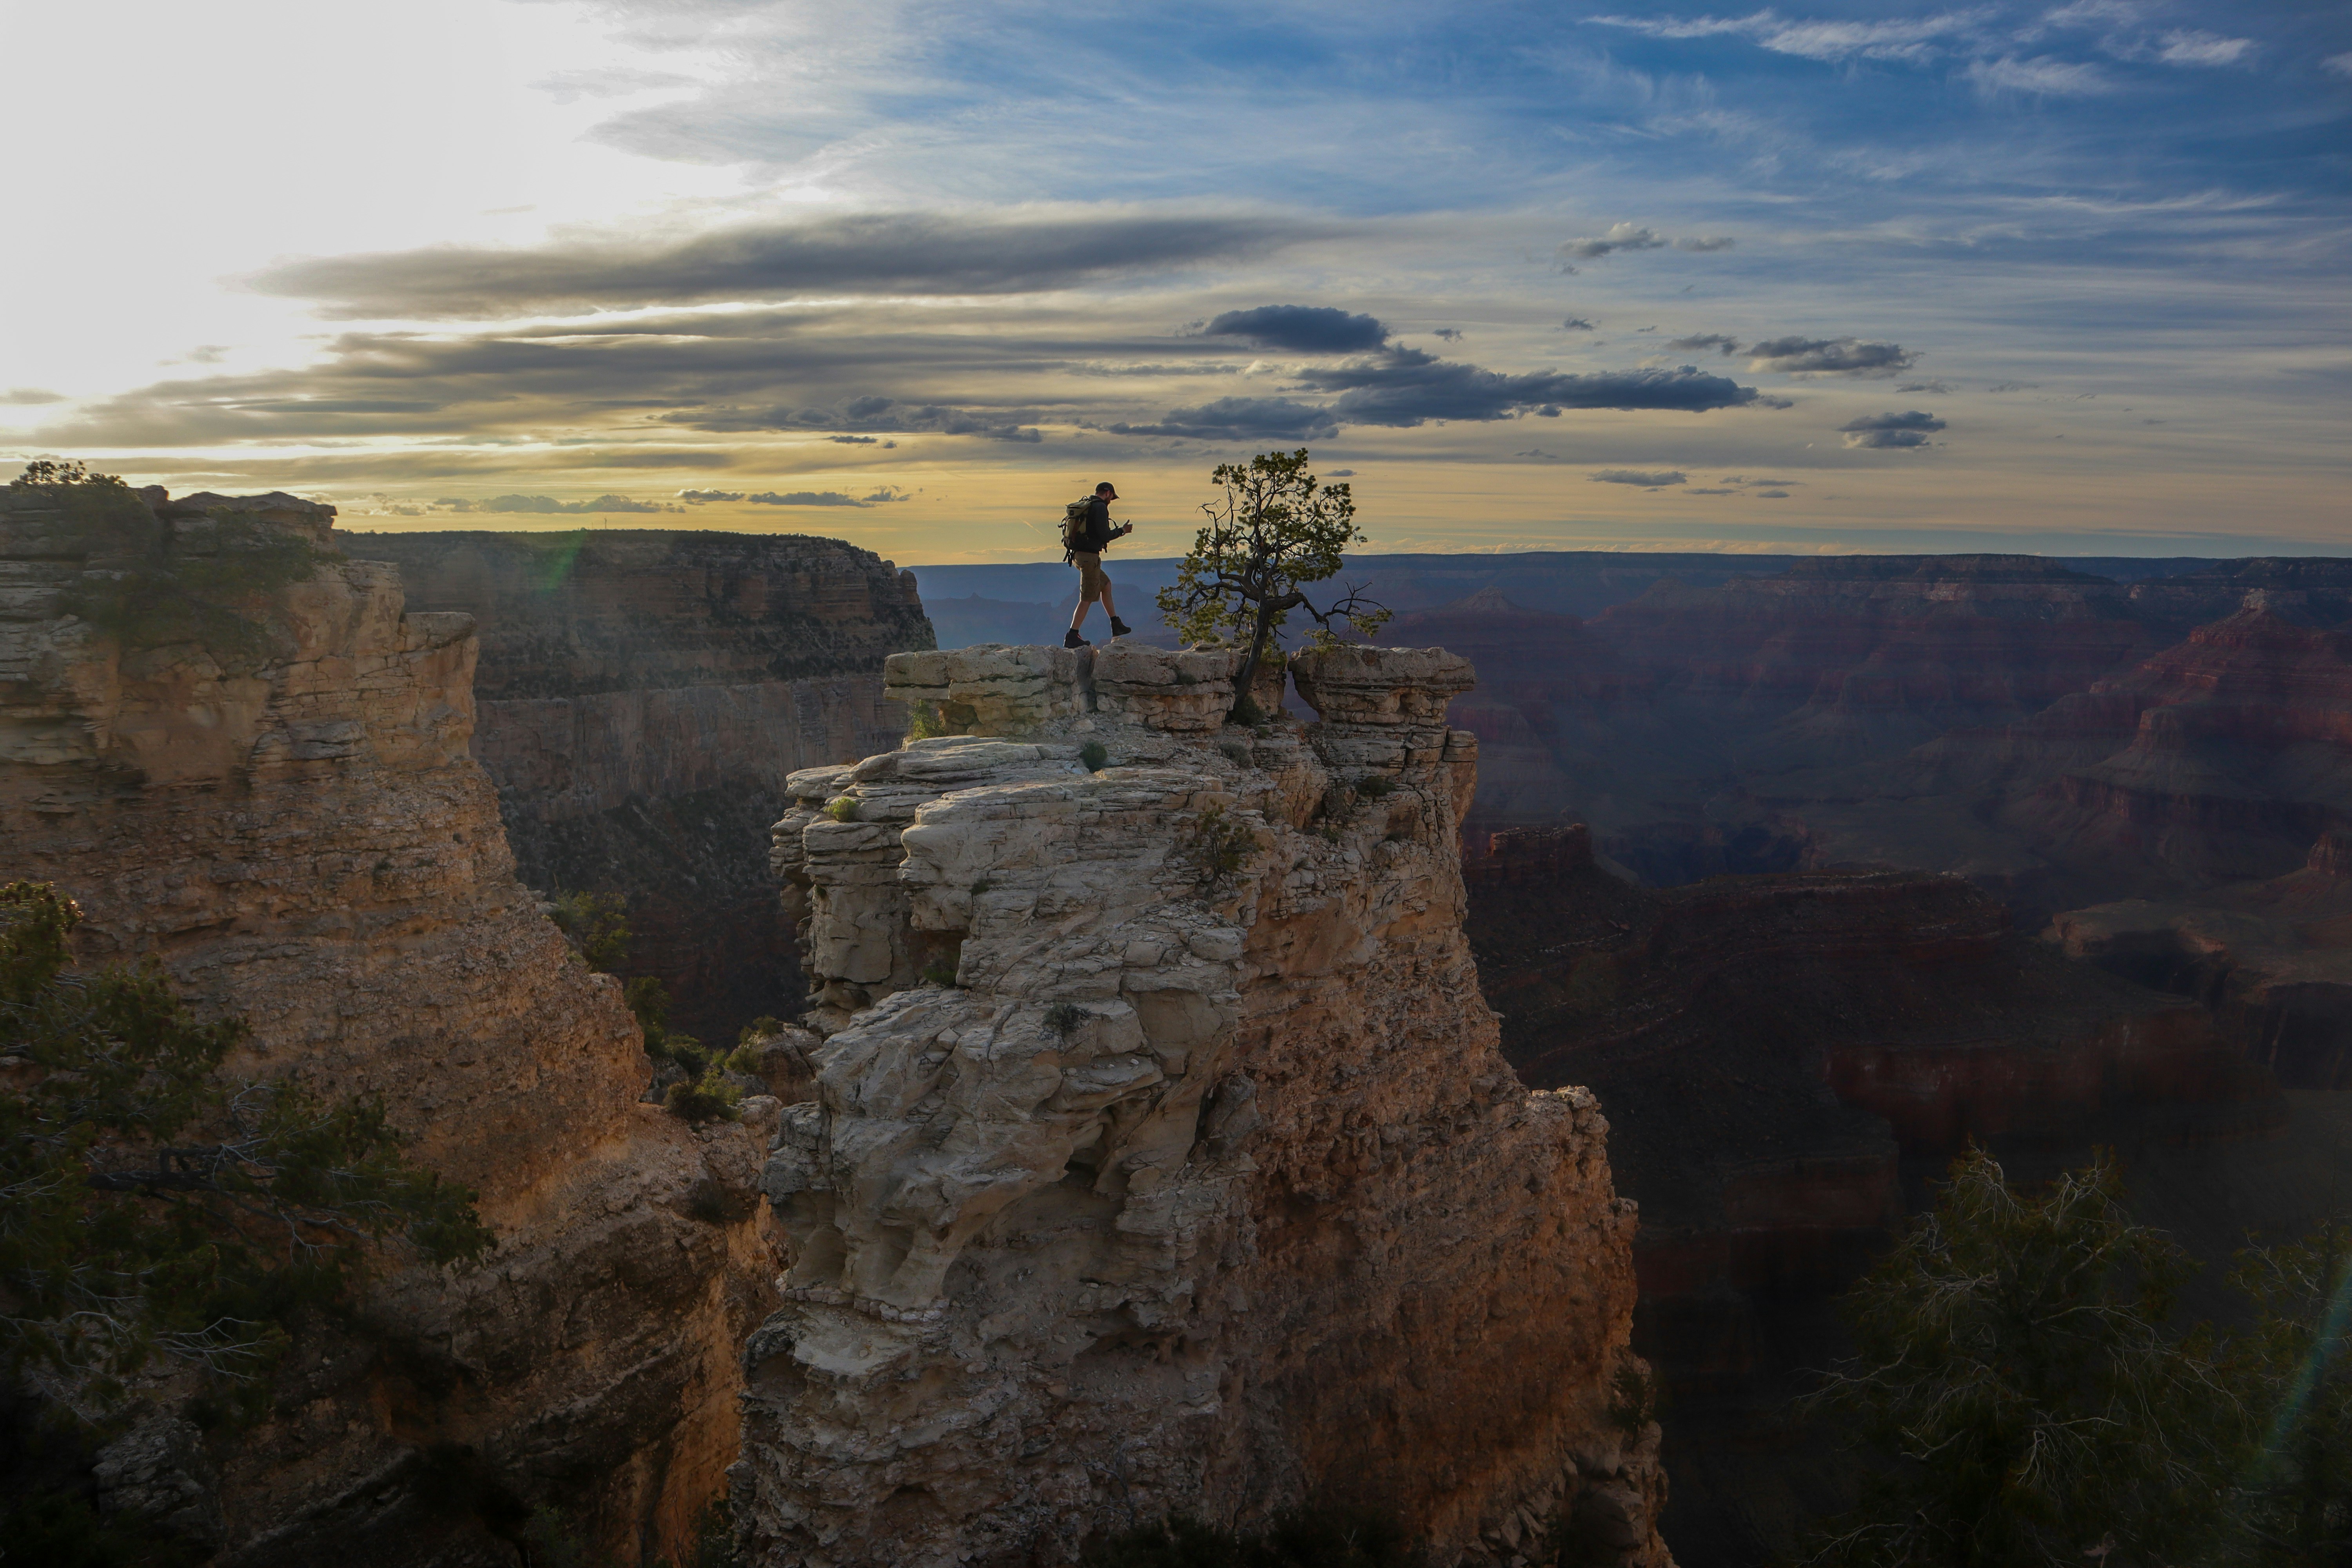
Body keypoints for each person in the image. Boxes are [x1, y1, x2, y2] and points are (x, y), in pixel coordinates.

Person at [1065, 481, 1134, 648]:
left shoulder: (1088, 505)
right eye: (1112, 497)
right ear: (1108, 493)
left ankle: (1116, 624)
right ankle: (1072, 636)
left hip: (1079, 555)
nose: (1111, 500)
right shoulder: (1100, 507)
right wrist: (1122, 531)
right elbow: (1105, 535)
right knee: (1087, 597)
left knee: (1106, 584)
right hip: (1089, 558)